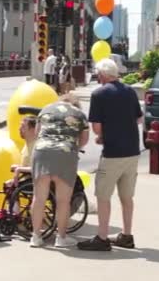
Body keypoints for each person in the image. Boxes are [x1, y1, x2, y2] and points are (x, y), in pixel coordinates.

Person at [77, 59, 142, 251]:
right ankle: (127, 235)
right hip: (132, 151)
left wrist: (103, 136)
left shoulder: (99, 94)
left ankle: (102, 237)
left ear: (102, 75)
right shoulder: (130, 91)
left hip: (112, 153)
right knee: (127, 197)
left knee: (103, 195)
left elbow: (96, 127)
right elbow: (138, 118)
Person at [30, 94, 89, 248]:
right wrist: (75, 147)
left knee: (39, 198)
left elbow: (37, 134)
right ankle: (61, 238)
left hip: (41, 152)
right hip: (65, 154)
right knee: (63, 201)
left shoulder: (45, 110)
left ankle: (36, 236)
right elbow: (84, 140)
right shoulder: (80, 114)